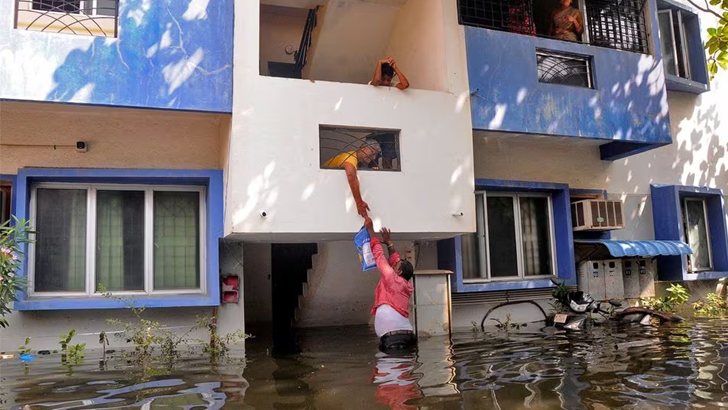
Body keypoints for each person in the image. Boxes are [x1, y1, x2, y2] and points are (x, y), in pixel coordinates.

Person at [363, 216, 416, 351]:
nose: (393, 265)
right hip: (407, 336)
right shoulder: (406, 285)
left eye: (395, 266)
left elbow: (379, 257)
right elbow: (395, 259)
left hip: (393, 340)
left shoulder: (392, 278)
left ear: (398, 272)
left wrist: (371, 231)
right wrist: (389, 243)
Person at [323, 138, 381, 217]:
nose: (373, 158)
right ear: (363, 147)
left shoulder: (359, 162)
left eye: (375, 155)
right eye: (372, 152)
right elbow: (351, 174)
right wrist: (359, 202)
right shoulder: (350, 157)